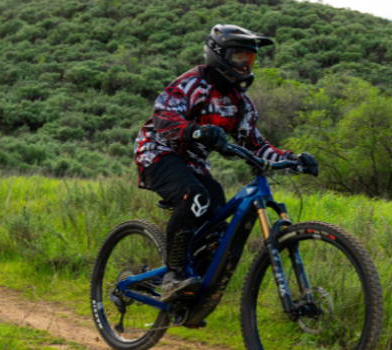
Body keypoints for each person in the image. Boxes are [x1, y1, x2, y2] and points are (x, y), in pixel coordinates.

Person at [133, 24, 318, 302]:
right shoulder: (191, 84)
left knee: (217, 224)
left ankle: (191, 297)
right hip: (157, 152)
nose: (245, 64)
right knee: (194, 196)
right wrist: (196, 130)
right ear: (219, 54)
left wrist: (292, 159)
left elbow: (255, 144)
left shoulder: (240, 102)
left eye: (250, 59)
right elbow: (163, 118)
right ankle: (173, 275)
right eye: (239, 57)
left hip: (192, 162)